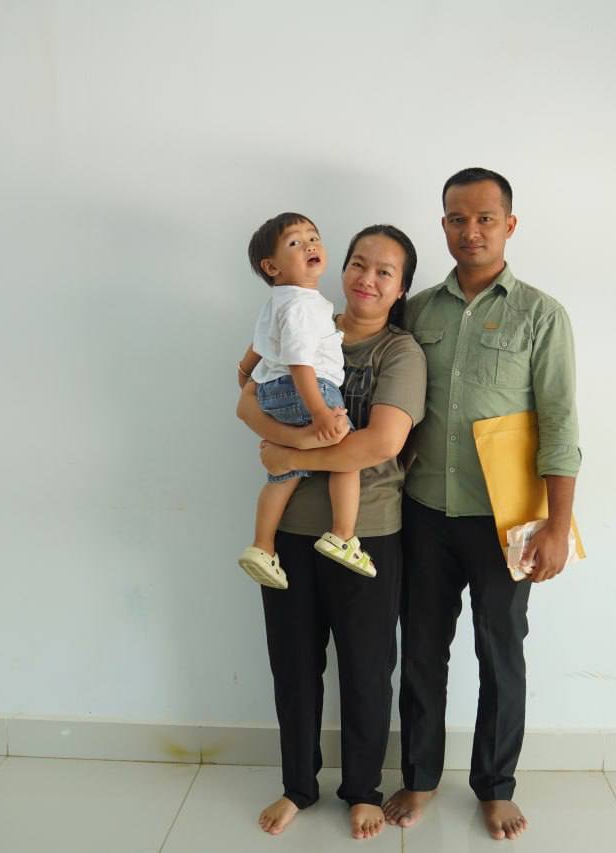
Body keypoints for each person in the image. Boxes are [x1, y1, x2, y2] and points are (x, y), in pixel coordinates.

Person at [381, 168, 581, 841]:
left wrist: (557, 526)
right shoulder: (416, 311)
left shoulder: (540, 314)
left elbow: (560, 422)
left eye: (485, 218)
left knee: (500, 652)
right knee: (422, 651)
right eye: (458, 219)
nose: (471, 231)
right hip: (422, 512)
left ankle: (495, 786)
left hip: (507, 521)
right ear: (443, 225)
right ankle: (419, 776)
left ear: (509, 225)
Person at [238, 225, 427, 840]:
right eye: (359, 264)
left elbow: (381, 443)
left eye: (385, 272)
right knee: (293, 666)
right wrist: (291, 440)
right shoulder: (304, 319)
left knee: (367, 668)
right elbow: (246, 402)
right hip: (290, 531)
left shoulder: (400, 353)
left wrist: (288, 452)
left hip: (367, 533)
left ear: (401, 289)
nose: (367, 279)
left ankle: (363, 790)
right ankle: (298, 785)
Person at [236, 213, 375, 589]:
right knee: (346, 455)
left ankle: (262, 546)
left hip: (271, 391)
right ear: (272, 267)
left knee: (283, 475)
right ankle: (342, 535)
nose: (310, 245)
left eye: (313, 237)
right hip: (309, 388)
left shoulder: (279, 302)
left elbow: (259, 344)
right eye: (295, 243)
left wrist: (245, 372)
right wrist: (320, 412)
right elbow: (300, 362)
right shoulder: (304, 305)